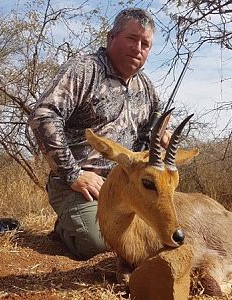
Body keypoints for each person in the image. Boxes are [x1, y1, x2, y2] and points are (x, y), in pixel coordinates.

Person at [28, 8, 171, 260]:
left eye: (145, 44)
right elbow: (43, 115)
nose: (138, 48)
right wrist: (74, 174)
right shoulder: (85, 69)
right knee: (99, 242)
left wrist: (163, 135)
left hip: (127, 185)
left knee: (163, 231)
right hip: (80, 185)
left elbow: (155, 129)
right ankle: (65, 229)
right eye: (131, 38)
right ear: (111, 37)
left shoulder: (146, 85)